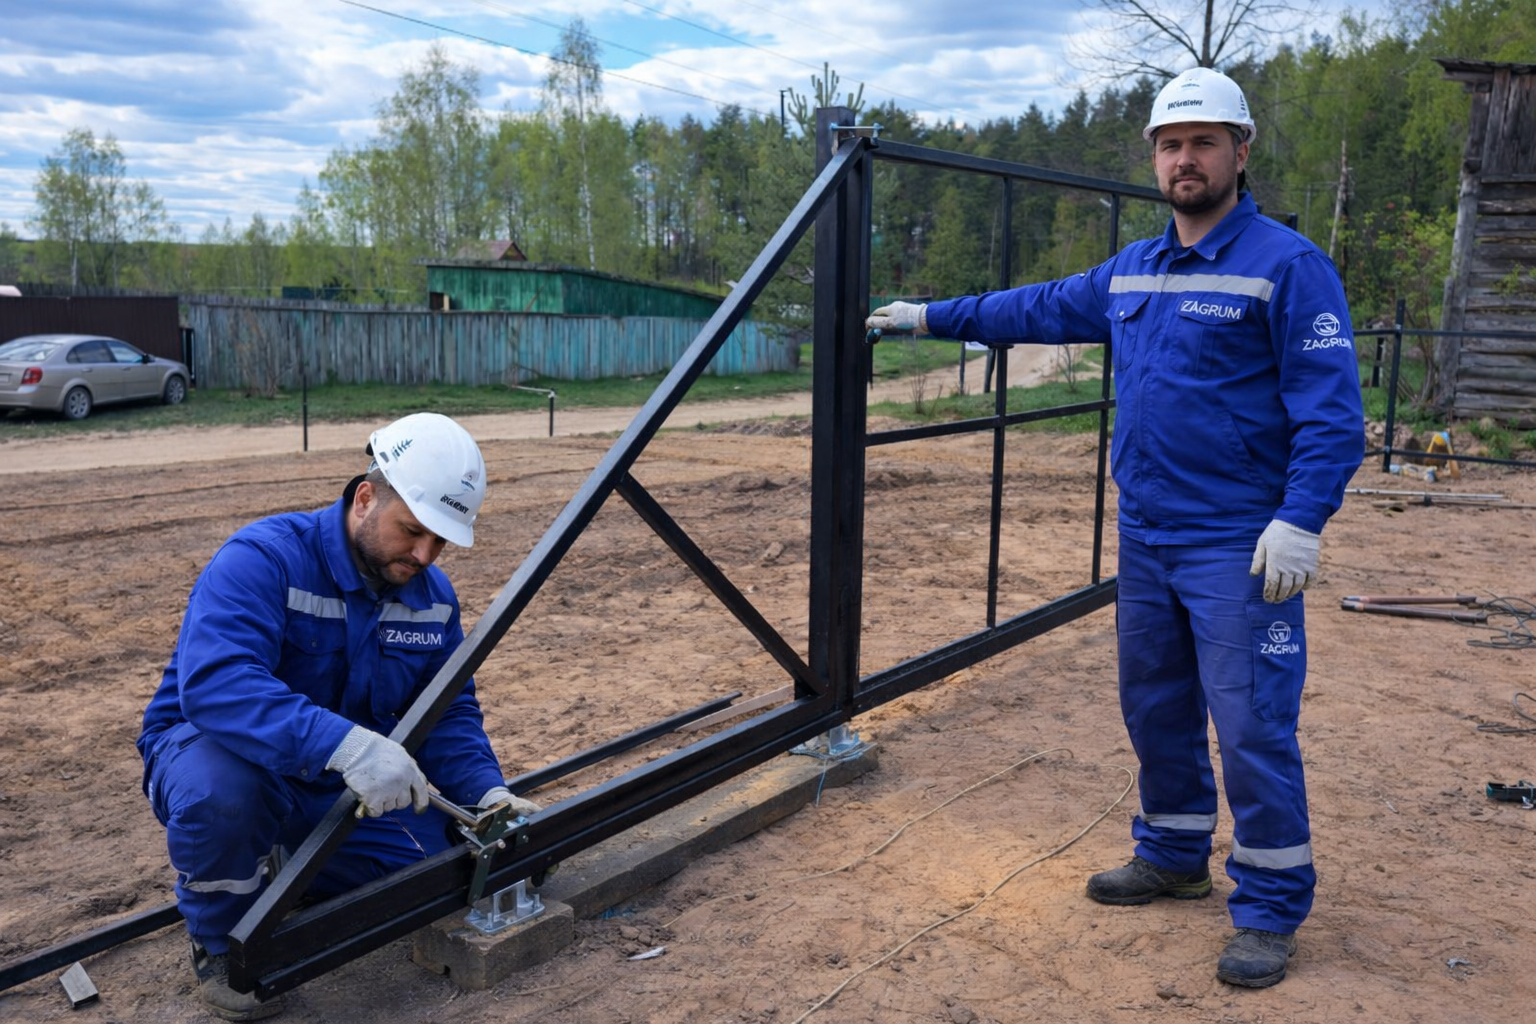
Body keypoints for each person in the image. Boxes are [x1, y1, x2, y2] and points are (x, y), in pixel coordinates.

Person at [867, 67, 1363, 988]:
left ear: (1240, 152)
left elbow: (1331, 413)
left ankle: (1268, 907)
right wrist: (927, 317)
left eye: (1203, 142)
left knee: (1252, 723)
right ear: (1154, 159)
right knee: (1155, 705)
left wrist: (1301, 519)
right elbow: (1035, 306)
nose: (1185, 159)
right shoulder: (1136, 267)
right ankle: (1173, 855)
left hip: (1237, 543)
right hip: (1148, 536)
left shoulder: (1288, 266)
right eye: (1171, 145)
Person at [137, 412, 539, 1021]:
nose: (425, 555)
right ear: (366, 498)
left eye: (440, 541)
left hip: (336, 776)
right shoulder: (264, 559)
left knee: (431, 874)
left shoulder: (432, 600)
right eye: (413, 531)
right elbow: (218, 685)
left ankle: (284, 862)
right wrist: (349, 746)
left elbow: (447, 710)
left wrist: (486, 794)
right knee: (226, 798)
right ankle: (222, 945)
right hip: (219, 750)